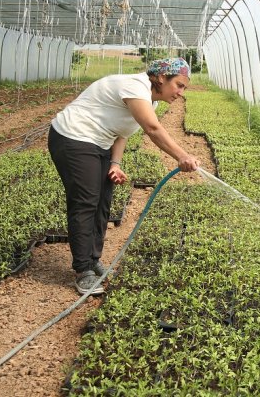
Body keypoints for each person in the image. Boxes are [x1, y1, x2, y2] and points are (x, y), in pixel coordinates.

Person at [47, 57, 200, 295]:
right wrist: (182, 155)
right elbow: (152, 129)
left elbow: (122, 132)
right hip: (73, 137)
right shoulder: (135, 86)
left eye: (183, 88)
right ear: (161, 77)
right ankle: (82, 270)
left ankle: (93, 259)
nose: (180, 92)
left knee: (103, 200)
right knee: (86, 201)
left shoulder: (150, 100)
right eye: (179, 85)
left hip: (99, 142)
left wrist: (115, 164)